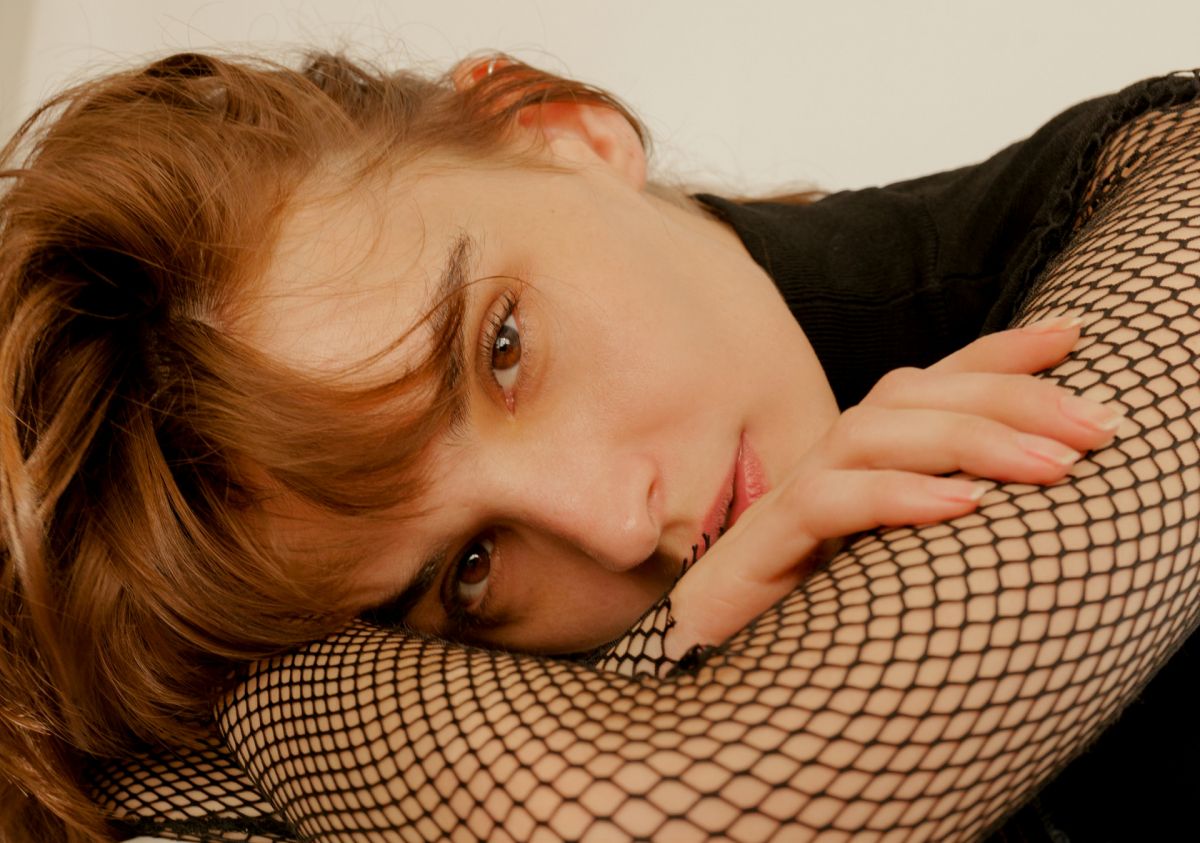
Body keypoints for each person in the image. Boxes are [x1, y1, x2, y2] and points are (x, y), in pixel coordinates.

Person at [0, 50, 1197, 843]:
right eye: (470, 569)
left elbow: (655, 823)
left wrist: (646, 681)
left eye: (502, 350)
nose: (618, 526)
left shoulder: (1175, 194)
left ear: (563, 132)